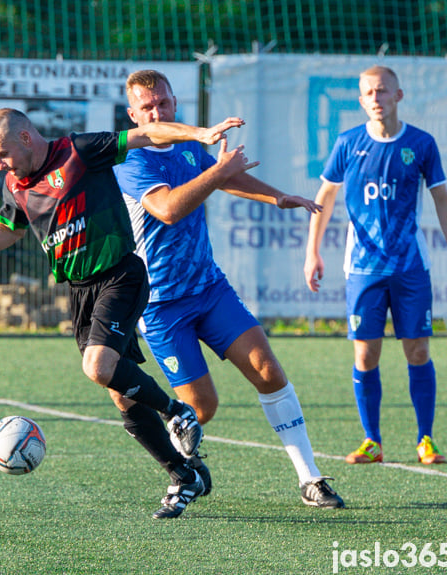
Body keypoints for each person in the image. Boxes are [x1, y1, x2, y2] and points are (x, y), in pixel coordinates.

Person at [0, 108, 242, 518]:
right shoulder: (15, 183)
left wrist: (201, 133)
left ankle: (177, 412)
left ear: (26, 139)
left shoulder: (78, 151)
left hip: (120, 275)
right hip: (80, 292)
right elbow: (8, 229)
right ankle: (183, 475)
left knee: (98, 367)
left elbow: (145, 133)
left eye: (3, 153)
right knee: (120, 392)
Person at [113, 69, 344, 508]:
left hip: (208, 288)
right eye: (147, 107)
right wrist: (217, 170)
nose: (157, 111)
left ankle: (310, 479)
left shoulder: (187, 145)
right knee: (201, 408)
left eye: (163, 103)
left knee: (267, 369)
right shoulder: (131, 158)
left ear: (175, 103)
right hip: (161, 304)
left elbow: (226, 178)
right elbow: (166, 210)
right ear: (133, 115)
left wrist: (278, 197)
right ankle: (181, 470)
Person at [304, 65, 447, 465]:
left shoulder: (421, 143)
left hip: (410, 267)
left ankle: (425, 439)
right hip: (363, 269)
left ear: (398, 95)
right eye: (368, 93)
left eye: (382, 91)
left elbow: (442, 201)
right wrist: (312, 252)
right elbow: (324, 196)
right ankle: (372, 441)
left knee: (417, 350)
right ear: (360, 100)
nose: (376, 99)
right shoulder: (347, 143)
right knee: (366, 356)